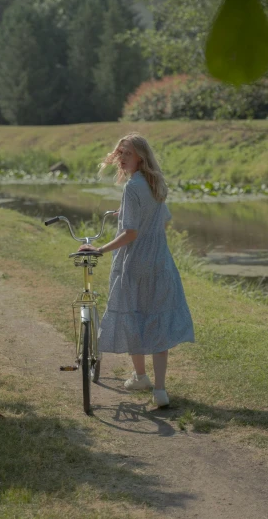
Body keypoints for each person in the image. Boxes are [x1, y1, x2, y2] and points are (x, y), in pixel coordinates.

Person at [78, 132, 195, 408]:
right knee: (157, 318)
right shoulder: (156, 183)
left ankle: (141, 376)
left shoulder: (132, 188)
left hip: (136, 261)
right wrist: (126, 212)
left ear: (141, 156)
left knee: (134, 315)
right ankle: (160, 391)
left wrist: (100, 249)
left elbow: (131, 233)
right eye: (120, 153)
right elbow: (161, 217)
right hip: (160, 260)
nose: (121, 159)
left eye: (127, 154)